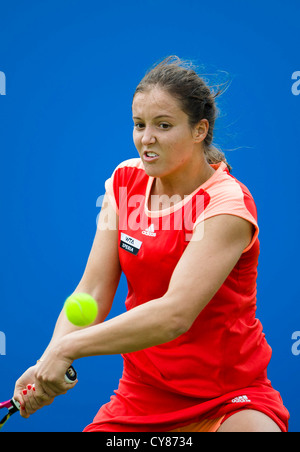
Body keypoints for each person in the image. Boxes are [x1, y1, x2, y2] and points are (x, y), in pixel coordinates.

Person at [14, 56, 289, 432]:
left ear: (199, 130)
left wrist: (67, 350)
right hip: (141, 395)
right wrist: (47, 363)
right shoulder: (124, 181)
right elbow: (92, 291)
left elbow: (174, 315)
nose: (147, 138)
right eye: (139, 125)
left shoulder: (227, 206)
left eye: (163, 125)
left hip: (230, 398)